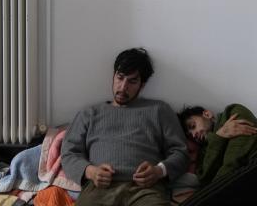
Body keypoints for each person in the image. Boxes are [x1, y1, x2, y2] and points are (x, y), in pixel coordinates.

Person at [61, 48, 189, 206]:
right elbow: (68, 153)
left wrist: (158, 171)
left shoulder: (160, 110)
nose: (123, 87)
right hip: (99, 189)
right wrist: (91, 172)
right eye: (120, 78)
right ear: (113, 76)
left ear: (142, 85)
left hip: (145, 191)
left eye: (132, 81)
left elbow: (181, 152)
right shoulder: (90, 114)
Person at [177, 104, 257, 205]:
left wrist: (214, 189)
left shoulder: (233, 113)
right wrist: (219, 137)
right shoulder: (205, 150)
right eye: (190, 135)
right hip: (243, 187)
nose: (194, 134)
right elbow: (204, 178)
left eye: (192, 126)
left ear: (207, 114)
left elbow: (234, 161)